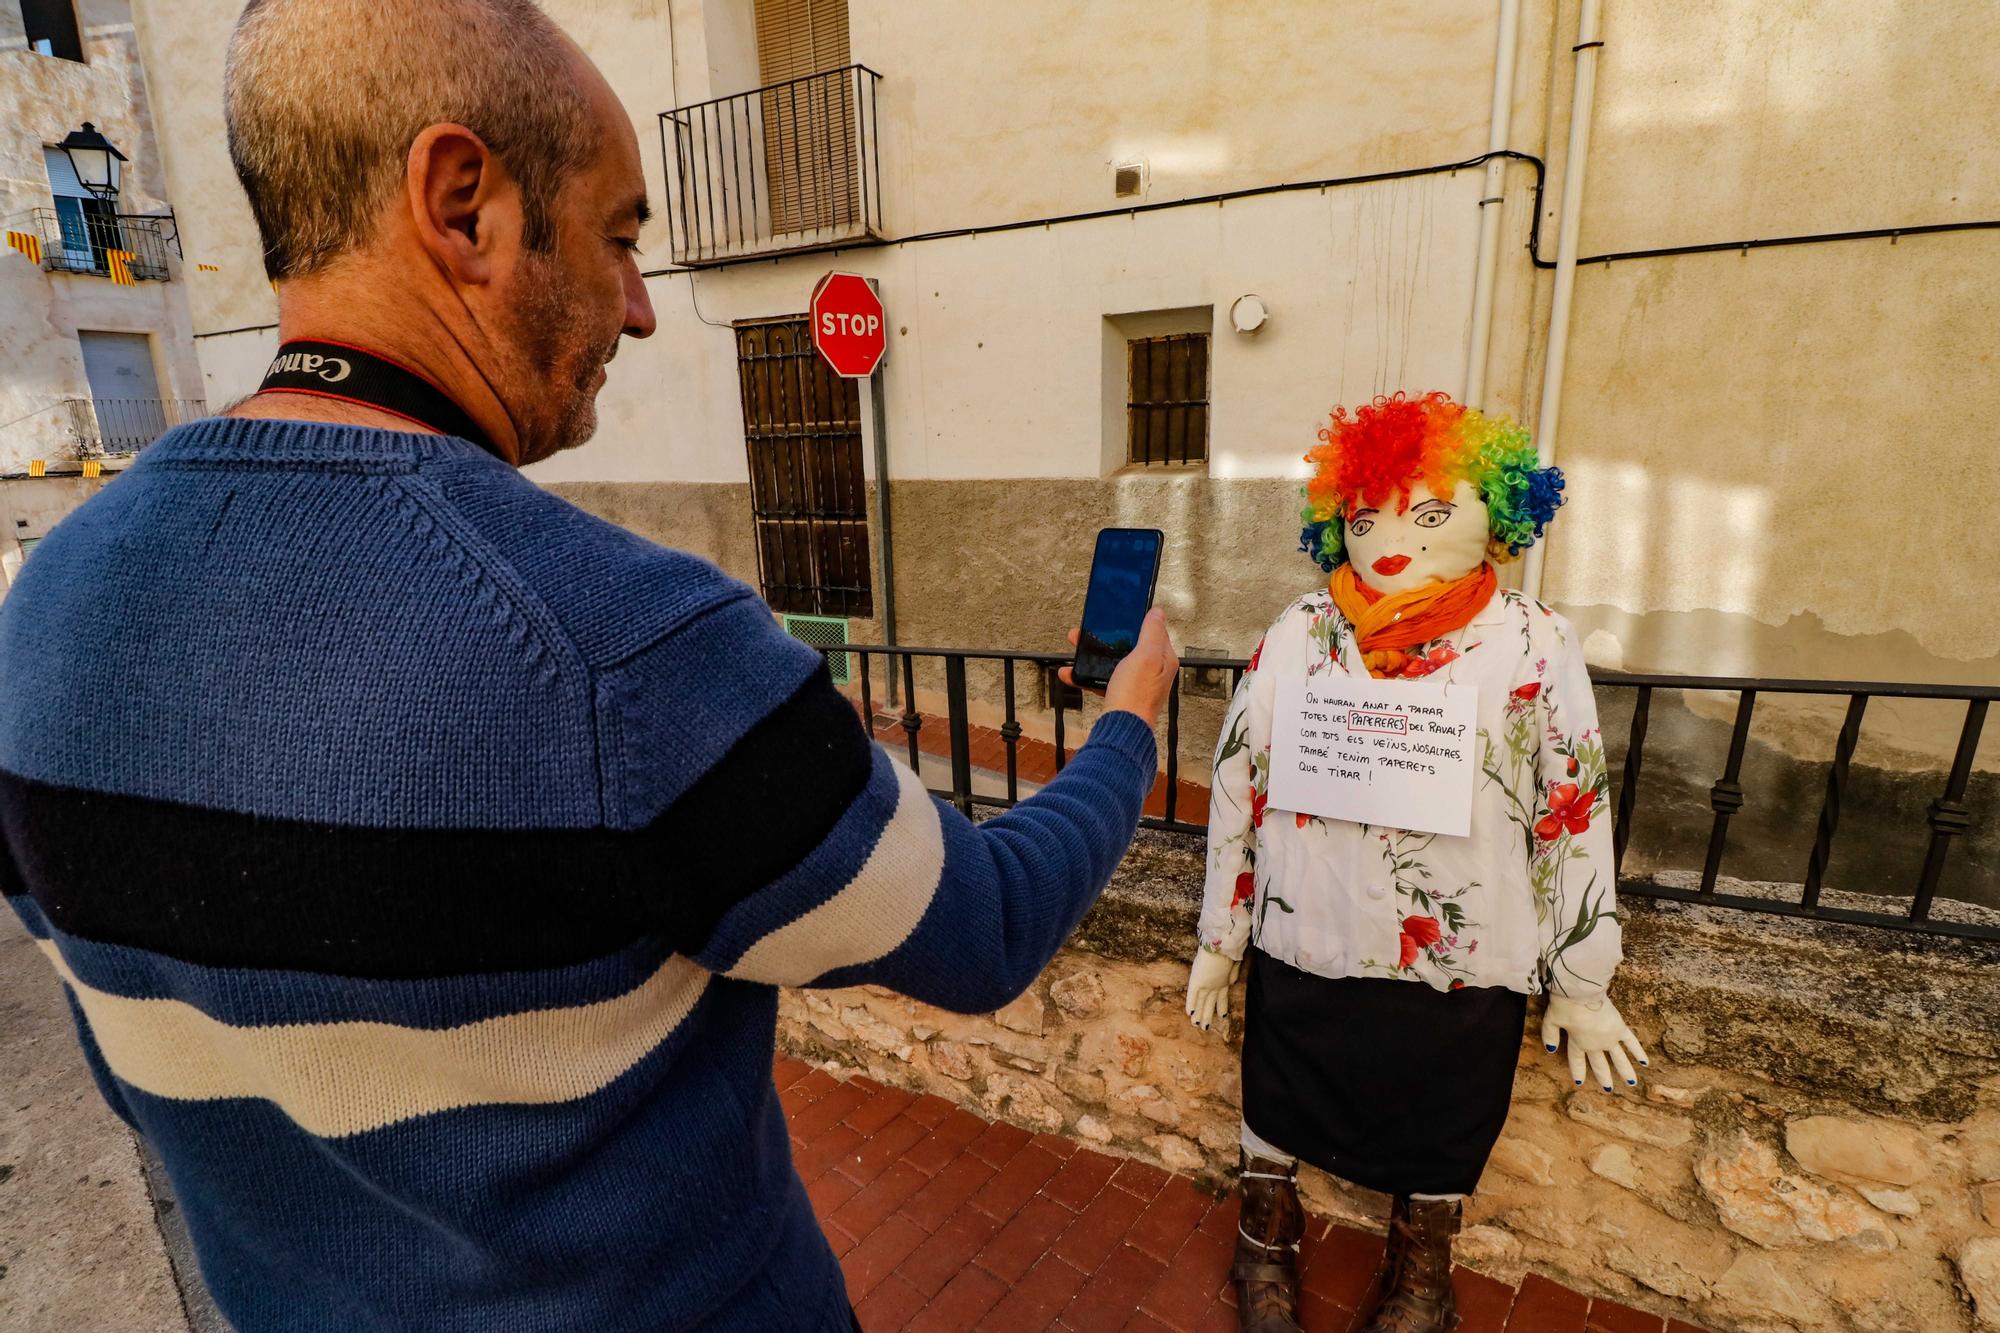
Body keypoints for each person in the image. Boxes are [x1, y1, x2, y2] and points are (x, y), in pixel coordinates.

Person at [0, 2, 1178, 1329]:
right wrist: (1128, 725)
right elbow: (987, 926)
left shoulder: (38, 617)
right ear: (463, 203)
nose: (640, 309)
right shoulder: (627, 648)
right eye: (619, 236)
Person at [1185, 392, 1647, 1333]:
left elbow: (1573, 804)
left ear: (1496, 515)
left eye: (1432, 513)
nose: (1393, 538)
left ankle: (1421, 1272)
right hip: (1307, 930)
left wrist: (1582, 975)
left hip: (1464, 946)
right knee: (1280, 1083)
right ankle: (1263, 1241)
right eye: (1367, 516)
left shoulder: (1532, 639)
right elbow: (1241, 782)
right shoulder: (1298, 633)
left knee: (1446, 1105)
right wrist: (1222, 937)